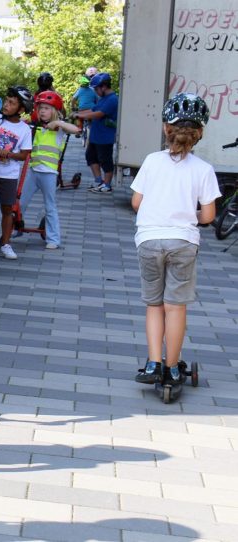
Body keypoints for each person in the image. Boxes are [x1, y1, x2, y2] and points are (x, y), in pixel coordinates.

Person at [131, 93, 219, 390]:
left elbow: (135, 202)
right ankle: (173, 368)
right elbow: (208, 216)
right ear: (200, 133)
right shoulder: (204, 169)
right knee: (175, 307)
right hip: (183, 243)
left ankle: (154, 362)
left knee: (154, 305)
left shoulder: (151, 161)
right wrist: (186, 211)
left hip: (149, 240)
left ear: (166, 129)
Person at [19, 91, 80, 250]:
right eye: (40, 108)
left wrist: (58, 123)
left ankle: (53, 238)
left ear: (54, 111)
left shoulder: (58, 128)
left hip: (49, 173)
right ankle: (15, 228)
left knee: (50, 206)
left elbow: (76, 129)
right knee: (20, 202)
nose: (42, 111)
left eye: (46, 108)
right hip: (33, 171)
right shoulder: (36, 127)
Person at [0, 86, 33, 261]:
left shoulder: (24, 130)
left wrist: (8, 154)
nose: (6, 105)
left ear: (22, 109)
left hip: (9, 175)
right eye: (7, 101)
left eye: (12, 103)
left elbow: (24, 154)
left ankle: (6, 243)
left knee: (7, 209)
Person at [75, 72, 118, 193]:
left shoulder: (113, 99)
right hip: (96, 136)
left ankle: (107, 185)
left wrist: (79, 115)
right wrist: (78, 113)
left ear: (103, 87)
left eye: (96, 89)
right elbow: (92, 109)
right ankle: (99, 181)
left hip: (105, 136)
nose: (95, 91)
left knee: (106, 161)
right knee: (91, 157)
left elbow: (98, 114)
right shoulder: (103, 99)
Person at [70, 75, 97, 139]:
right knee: (93, 119)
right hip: (92, 109)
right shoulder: (93, 90)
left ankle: (79, 129)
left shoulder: (80, 90)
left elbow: (73, 99)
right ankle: (93, 130)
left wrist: (72, 107)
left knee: (79, 118)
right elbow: (98, 98)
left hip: (82, 109)